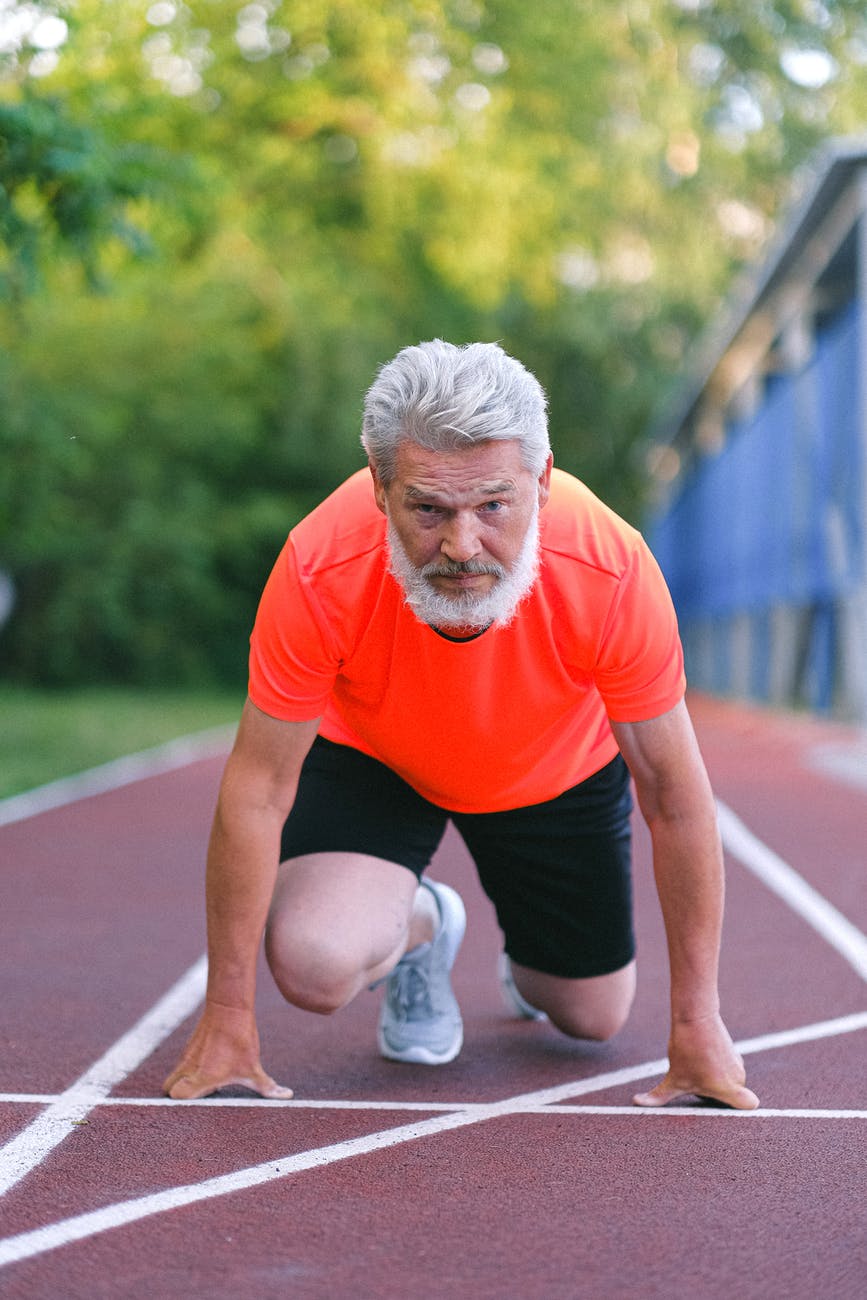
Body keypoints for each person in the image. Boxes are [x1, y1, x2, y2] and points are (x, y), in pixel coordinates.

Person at [164, 340, 759, 1110]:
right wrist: (226, 1018)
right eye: (427, 509)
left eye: (492, 506)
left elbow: (674, 797)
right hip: (378, 755)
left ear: (540, 483)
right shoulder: (319, 565)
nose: (461, 545)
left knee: (590, 1015)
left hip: (553, 768)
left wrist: (697, 1021)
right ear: (379, 487)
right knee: (313, 966)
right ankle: (423, 924)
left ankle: (532, 957)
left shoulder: (610, 569)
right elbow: (256, 790)